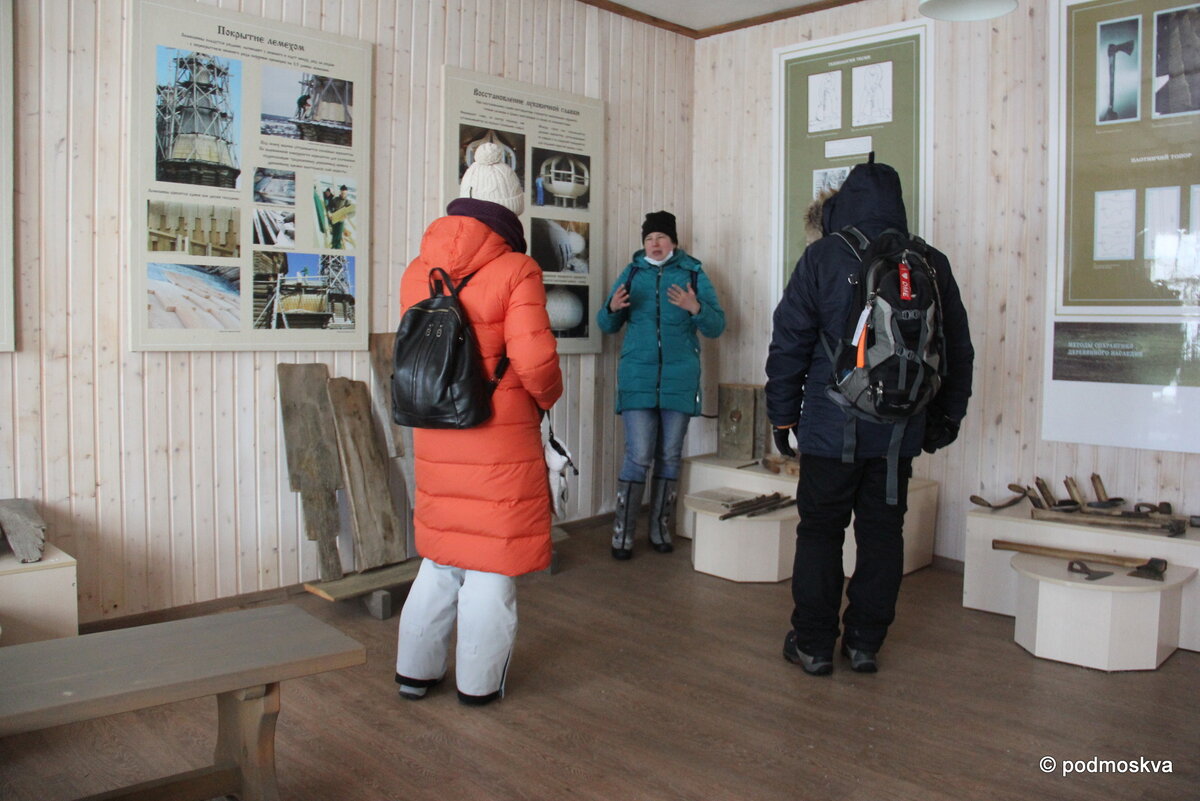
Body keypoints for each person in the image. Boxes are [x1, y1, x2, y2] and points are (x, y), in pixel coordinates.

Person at [765, 157, 974, 676]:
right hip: (899, 431)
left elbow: (789, 342)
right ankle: (863, 643)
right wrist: (946, 419)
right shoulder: (930, 261)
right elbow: (958, 349)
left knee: (820, 532)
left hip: (828, 431)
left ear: (843, 204)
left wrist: (782, 415)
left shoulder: (823, 258)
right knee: (882, 534)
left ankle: (812, 644)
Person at [394, 142, 563, 706]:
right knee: (492, 564)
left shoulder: (419, 268)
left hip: (436, 428)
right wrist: (548, 398)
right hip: (498, 431)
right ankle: (478, 685)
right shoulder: (518, 267)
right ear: (512, 210)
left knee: (441, 559)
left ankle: (414, 675)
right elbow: (535, 363)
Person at [597, 211, 725, 559]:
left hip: (679, 379)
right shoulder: (633, 272)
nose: (655, 243)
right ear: (643, 244)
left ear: (674, 242)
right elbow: (606, 324)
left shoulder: (693, 273)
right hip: (637, 378)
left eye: (661, 237)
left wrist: (694, 306)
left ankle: (659, 528)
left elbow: (716, 326)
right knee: (638, 456)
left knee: (669, 455)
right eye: (649, 238)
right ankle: (622, 533)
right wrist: (611, 308)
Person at [326, 185, 351, 249]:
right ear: (340, 192)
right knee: (334, 235)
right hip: (334, 219)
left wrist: (347, 215)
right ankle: (333, 247)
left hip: (341, 221)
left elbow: (350, 212)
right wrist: (329, 213)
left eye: (345, 193)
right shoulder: (335, 199)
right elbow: (329, 206)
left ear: (346, 193)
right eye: (342, 193)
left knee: (339, 236)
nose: (343, 195)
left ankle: (338, 248)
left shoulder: (347, 201)